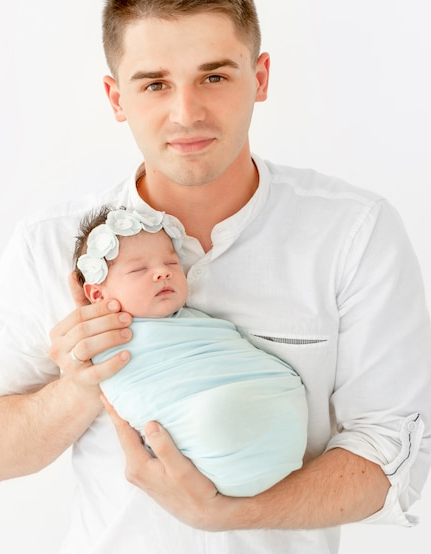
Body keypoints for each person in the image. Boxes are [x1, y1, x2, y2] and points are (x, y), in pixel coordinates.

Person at [0, 0, 431, 554]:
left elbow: (392, 450)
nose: (186, 113)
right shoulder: (48, 243)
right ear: (115, 97)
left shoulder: (354, 233)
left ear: (259, 78)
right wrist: (78, 387)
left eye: (214, 76)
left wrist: (232, 513)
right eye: (154, 83)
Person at [73, 204, 307, 497]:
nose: (162, 273)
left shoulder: (195, 322)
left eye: (171, 264)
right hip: (217, 432)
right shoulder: (106, 345)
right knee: (215, 415)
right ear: (98, 294)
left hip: (281, 427)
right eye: (139, 269)